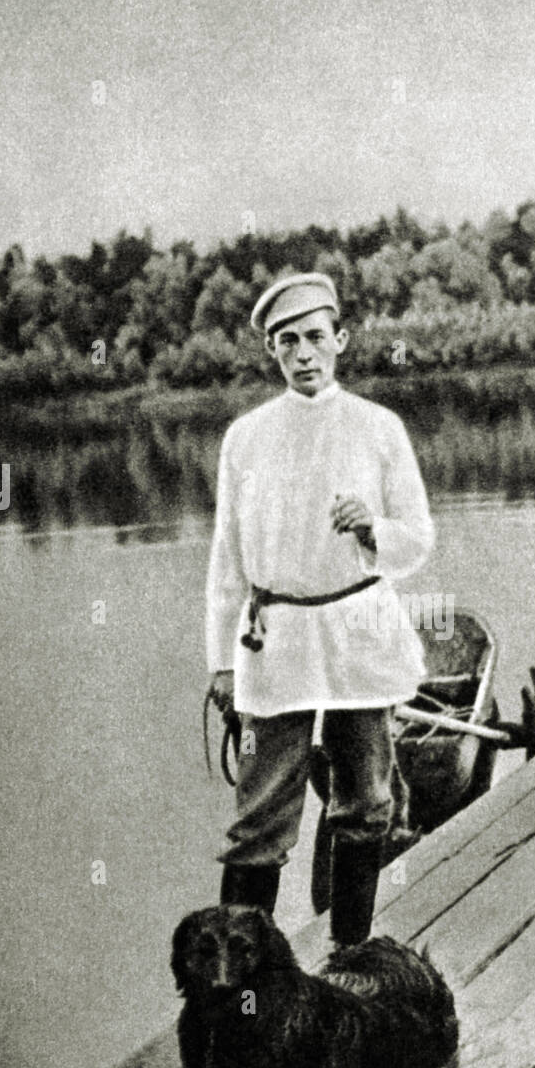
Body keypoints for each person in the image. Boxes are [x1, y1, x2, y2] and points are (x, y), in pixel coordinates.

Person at [205, 272, 434, 945]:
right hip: (276, 644)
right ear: (271, 352)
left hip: (359, 635)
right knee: (259, 821)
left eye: (314, 337)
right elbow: (226, 561)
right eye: (287, 342)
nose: (302, 354)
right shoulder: (245, 438)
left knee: (365, 804)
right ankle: (240, 982)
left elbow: (417, 539)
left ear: (341, 340)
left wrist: (373, 529)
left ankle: (350, 957)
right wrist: (221, 663)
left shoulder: (379, 428)